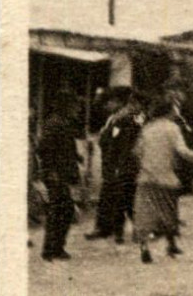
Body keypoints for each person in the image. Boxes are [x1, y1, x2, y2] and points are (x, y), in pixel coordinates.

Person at [134, 96, 193, 263]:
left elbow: (137, 151)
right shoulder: (173, 128)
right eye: (175, 108)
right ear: (169, 111)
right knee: (169, 212)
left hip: (146, 176)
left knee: (145, 214)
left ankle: (144, 247)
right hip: (166, 177)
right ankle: (171, 244)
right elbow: (182, 150)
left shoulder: (147, 128)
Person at [86, 90, 142, 244]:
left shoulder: (124, 118)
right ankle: (107, 228)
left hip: (118, 164)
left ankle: (115, 230)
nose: (107, 105)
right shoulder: (116, 117)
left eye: (110, 102)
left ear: (118, 102)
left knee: (122, 197)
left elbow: (120, 142)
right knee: (114, 196)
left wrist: (117, 163)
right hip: (113, 164)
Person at [37, 97, 82, 262]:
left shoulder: (62, 122)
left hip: (61, 173)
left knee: (62, 211)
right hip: (55, 175)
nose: (78, 110)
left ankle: (55, 248)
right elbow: (43, 149)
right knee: (60, 211)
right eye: (75, 106)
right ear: (66, 106)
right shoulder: (55, 123)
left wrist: (76, 157)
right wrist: (51, 172)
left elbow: (64, 147)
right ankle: (51, 249)